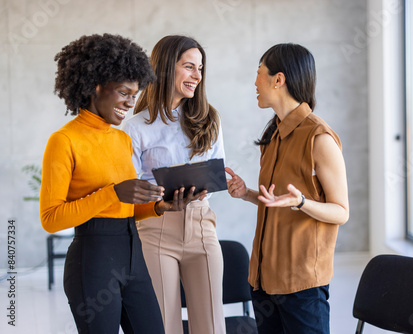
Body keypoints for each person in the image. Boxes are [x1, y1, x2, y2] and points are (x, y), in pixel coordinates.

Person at [39, 33, 188, 334]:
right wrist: (111, 193)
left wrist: (158, 206)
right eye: (124, 92)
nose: (130, 103)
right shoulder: (64, 140)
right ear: (95, 87)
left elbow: (125, 209)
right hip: (92, 262)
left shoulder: (121, 139)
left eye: (135, 94)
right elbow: (51, 219)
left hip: (133, 255)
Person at [225, 43, 349, 334]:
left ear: (278, 79)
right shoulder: (272, 135)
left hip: (302, 287)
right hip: (262, 281)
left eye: (259, 73)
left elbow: (341, 211)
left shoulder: (319, 137)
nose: (255, 82)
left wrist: (302, 202)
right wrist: (246, 193)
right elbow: (278, 202)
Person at [121, 35, 226, 334]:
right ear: (166, 68)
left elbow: (217, 170)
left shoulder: (209, 119)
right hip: (156, 231)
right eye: (189, 67)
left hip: (202, 226)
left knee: (212, 326)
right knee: (164, 325)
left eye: (200, 68)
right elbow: (130, 189)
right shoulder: (136, 127)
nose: (197, 76)